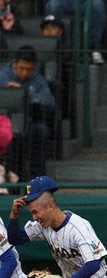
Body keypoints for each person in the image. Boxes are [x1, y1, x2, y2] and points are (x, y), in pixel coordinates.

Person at [0, 45, 56, 178]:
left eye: (29, 69)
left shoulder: (38, 80)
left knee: (41, 130)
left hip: (28, 122)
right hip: (3, 123)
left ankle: (35, 177)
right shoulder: (2, 76)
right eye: (22, 69)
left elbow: (50, 101)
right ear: (14, 63)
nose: (25, 73)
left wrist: (26, 95)